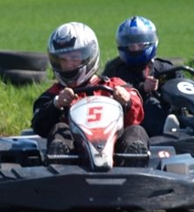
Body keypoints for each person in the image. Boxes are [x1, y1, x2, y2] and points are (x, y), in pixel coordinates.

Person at [31, 22, 149, 166]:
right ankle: (60, 161)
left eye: (74, 58)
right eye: (63, 60)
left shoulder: (112, 85)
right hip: (75, 156)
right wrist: (57, 104)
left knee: (136, 131)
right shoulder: (56, 94)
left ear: (89, 56)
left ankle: (133, 162)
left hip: (115, 154)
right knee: (60, 129)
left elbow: (137, 113)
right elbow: (39, 125)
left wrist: (127, 100)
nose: (69, 65)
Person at [102, 15, 194, 137]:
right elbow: (106, 96)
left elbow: (182, 87)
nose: (136, 49)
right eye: (131, 46)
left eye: (140, 45)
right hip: (133, 127)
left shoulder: (164, 68)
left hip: (168, 116)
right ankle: (166, 130)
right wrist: (142, 89)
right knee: (150, 104)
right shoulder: (116, 70)